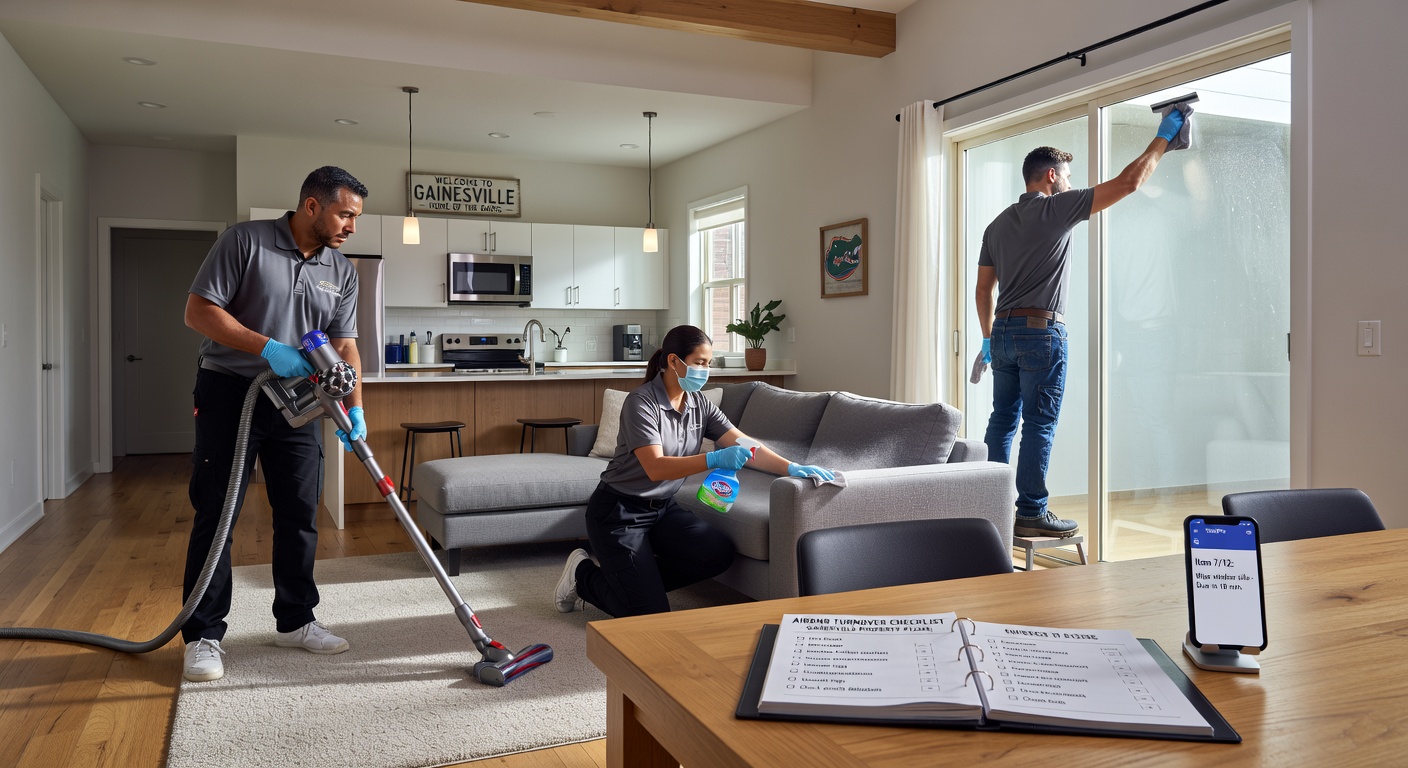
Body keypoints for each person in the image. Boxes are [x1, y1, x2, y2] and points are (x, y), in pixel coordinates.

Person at [179, 166, 370, 682]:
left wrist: (354, 408)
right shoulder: (245, 241)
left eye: (356, 217)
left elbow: (345, 345)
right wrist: (268, 347)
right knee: (217, 512)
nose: (352, 225)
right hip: (230, 390)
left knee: (300, 510)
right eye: (345, 214)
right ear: (312, 206)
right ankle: (202, 634)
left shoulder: (342, 269)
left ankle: (296, 619)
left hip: (301, 399)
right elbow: (198, 312)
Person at [975, 107, 1189, 539]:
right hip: (1041, 333)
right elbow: (1129, 183)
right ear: (1051, 177)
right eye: (1068, 176)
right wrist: (1164, 136)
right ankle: (1032, 512)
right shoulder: (1055, 208)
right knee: (1039, 422)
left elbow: (983, 291)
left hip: (1001, 333)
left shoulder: (996, 225)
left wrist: (986, 339)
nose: (1072, 184)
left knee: (1002, 420)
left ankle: (988, 507)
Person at [553, 325, 835, 617]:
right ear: (674, 361)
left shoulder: (699, 403)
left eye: (708, 363)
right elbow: (655, 467)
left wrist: (791, 466)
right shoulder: (641, 403)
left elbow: (745, 444)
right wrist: (713, 459)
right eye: (700, 363)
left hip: (663, 510)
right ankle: (583, 575)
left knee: (717, 553)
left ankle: (637, 584)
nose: (705, 370)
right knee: (648, 614)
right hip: (618, 513)